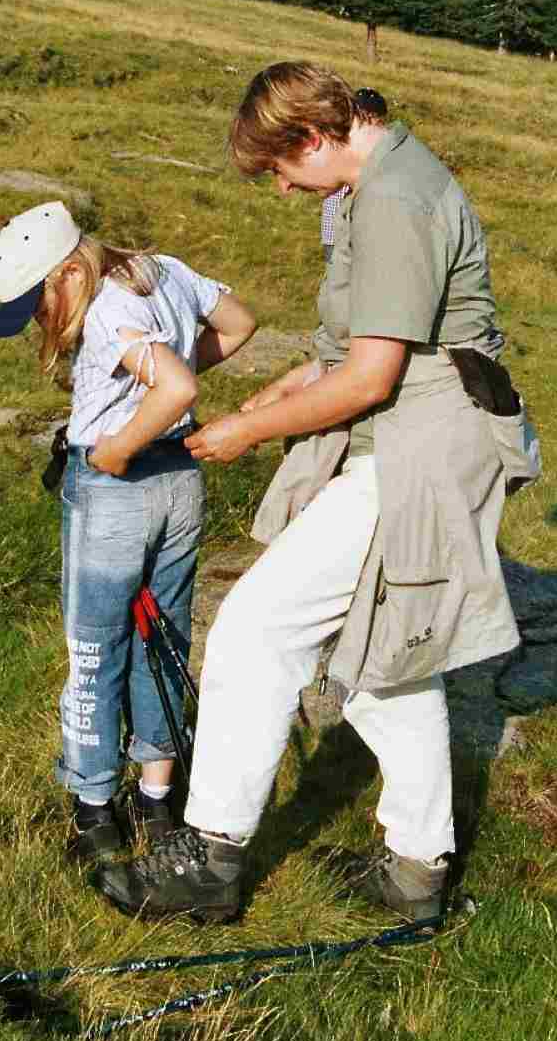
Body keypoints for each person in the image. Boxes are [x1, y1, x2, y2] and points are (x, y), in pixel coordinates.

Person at [101, 65, 535, 926]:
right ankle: (417, 870)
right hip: (405, 437)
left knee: (257, 633)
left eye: (278, 169)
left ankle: (210, 858)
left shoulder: (396, 202)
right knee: (383, 659)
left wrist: (247, 434)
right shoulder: (369, 186)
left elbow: (372, 379)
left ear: (313, 137)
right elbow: (359, 347)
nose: (280, 188)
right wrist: (284, 389)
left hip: (420, 453)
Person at [0, 201, 256, 863]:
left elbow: (177, 384)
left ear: (69, 272)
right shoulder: (160, 270)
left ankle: (95, 813)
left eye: (38, 304)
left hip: (116, 488)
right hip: (179, 483)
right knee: (160, 639)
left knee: (94, 651)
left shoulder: (107, 312)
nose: (39, 324)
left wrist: (118, 445)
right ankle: (159, 802)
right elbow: (240, 324)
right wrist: (160, 393)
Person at [320, 88, 388, 261]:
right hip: (340, 234)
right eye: (376, 118)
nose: (380, 125)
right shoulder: (349, 146)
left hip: (347, 234)